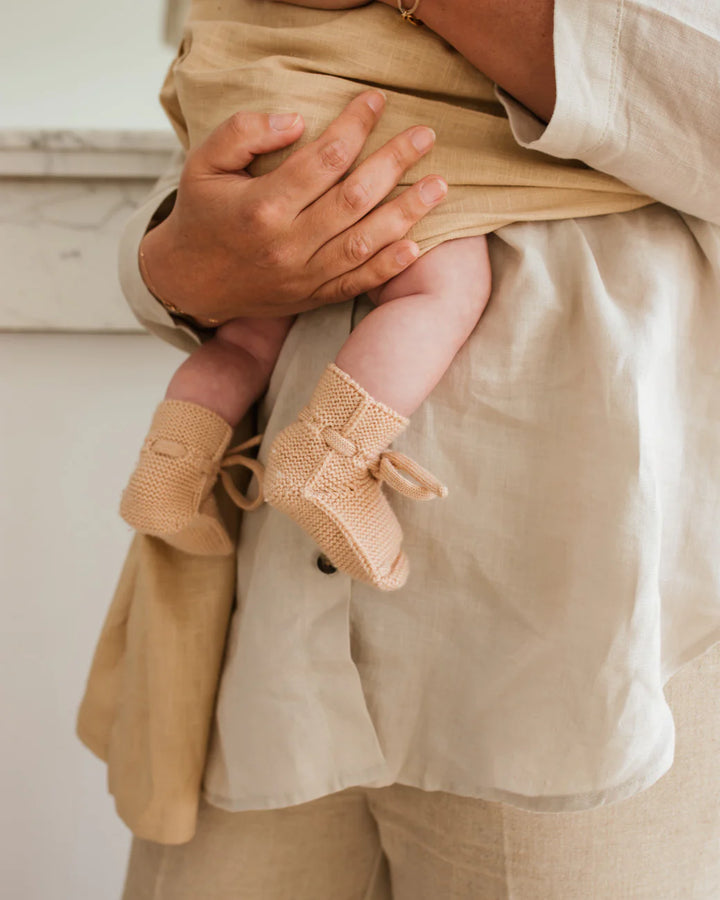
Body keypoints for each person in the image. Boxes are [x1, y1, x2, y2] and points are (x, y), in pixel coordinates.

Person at [115, 0, 720, 895]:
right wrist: (172, 267)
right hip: (264, 620)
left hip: (568, 616)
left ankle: (195, 459)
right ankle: (288, 460)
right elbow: (234, 88)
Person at [117, 0, 649, 591]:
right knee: (438, 287)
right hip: (358, 121)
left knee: (249, 333)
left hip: (260, 114)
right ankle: (331, 459)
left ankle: (169, 465)